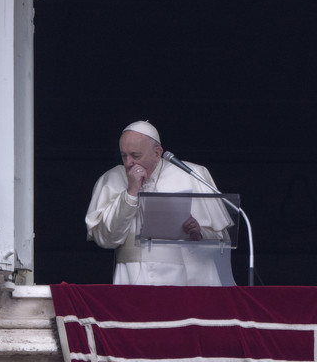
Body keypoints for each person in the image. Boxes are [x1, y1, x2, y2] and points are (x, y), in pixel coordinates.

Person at [85, 120, 234, 286]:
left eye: (135, 156)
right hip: (134, 280)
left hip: (188, 280)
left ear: (157, 153)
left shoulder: (192, 175)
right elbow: (106, 239)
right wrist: (131, 192)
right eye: (123, 155)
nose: (128, 163)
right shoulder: (110, 179)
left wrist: (199, 234)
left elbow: (222, 239)